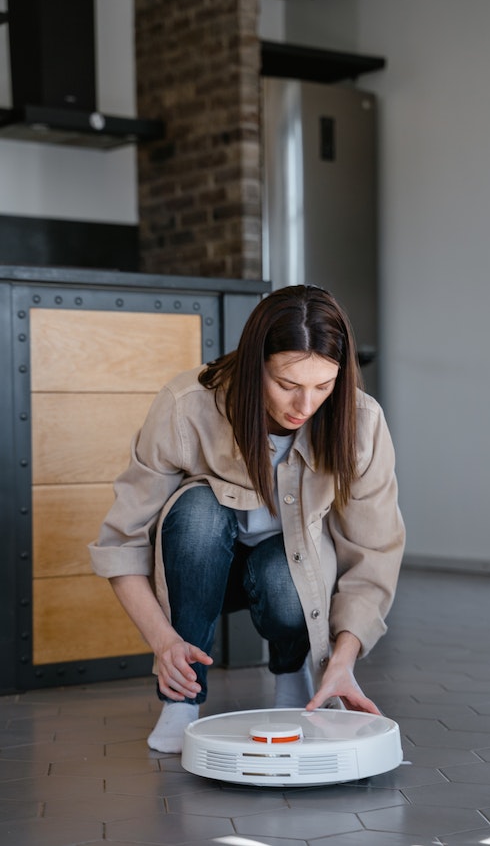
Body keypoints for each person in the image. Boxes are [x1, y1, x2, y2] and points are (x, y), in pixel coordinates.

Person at [89, 285, 405, 754]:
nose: (305, 406)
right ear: (255, 364)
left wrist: (341, 662)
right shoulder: (187, 403)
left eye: (324, 386)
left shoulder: (361, 422)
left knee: (283, 572)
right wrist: (163, 642)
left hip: (290, 576)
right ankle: (183, 695)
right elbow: (121, 540)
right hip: (196, 567)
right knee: (197, 511)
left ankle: (292, 671)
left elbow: (374, 553)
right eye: (287, 384)